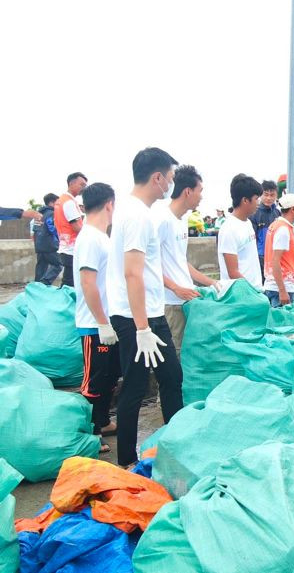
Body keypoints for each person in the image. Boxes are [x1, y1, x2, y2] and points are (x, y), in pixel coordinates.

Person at [107, 147, 184, 469]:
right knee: (137, 386)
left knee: (171, 377)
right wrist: (142, 329)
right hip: (138, 318)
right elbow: (132, 273)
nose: (170, 184)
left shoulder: (133, 211)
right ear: (157, 178)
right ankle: (127, 460)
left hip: (146, 314)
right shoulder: (137, 215)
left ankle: (177, 445)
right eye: (170, 178)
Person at [73, 182, 121, 453]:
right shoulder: (90, 237)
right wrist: (102, 322)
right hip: (94, 325)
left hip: (107, 322)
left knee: (110, 377)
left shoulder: (103, 237)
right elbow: (88, 283)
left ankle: (103, 422)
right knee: (94, 382)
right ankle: (90, 433)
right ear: (109, 204)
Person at [154, 165, 218, 360]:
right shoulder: (162, 219)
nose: (201, 197)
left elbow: (181, 262)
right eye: (200, 191)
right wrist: (175, 288)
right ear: (188, 191)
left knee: (185, 355)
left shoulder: (182, 220)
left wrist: (213, 283)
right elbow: (148, 266)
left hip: (185, 300)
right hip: (169, 303)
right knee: (172, 356)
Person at [217, 174, 263, 289]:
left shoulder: (247, 223)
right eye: (256, 198)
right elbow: (233, 272)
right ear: (245, 200)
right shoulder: (229, 229)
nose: (259, 202)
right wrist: (252, 292)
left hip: (253, 290)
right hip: (241, 293)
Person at [263, 193, 294, 307]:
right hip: (281, 287)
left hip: (274, 285)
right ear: (293, 209)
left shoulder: (275, 225)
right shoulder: (283, 229)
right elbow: (275, 260)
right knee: (282, 318)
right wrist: (282, 290)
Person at [54, 172, 88, 287]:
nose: (84, 188)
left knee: (68, 282)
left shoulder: (60, 200)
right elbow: (77, 227)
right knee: (70, 284)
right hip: (71, 248)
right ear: (71, 183)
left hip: (66, 246)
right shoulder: (69, 202)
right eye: (81, 185)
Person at [251, 180, 281, 272]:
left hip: (275, 254)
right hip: (260, 256)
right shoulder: (254, 213)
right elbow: (252, 238)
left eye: (272, 195)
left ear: (276, 196)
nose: (268, 198)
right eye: (266, 194)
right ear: (261, 195)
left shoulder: (277, 213)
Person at [33, 194, 63, 285]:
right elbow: (53, 229)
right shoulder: (52, 213)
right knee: (58, 264)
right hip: (49, 245)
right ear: (52, 202)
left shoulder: (38, 214)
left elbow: (35, 229)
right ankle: (45, 282)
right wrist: (60, 239)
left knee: (41, 268)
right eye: (57, 202)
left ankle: (37, 286)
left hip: (39, 245)